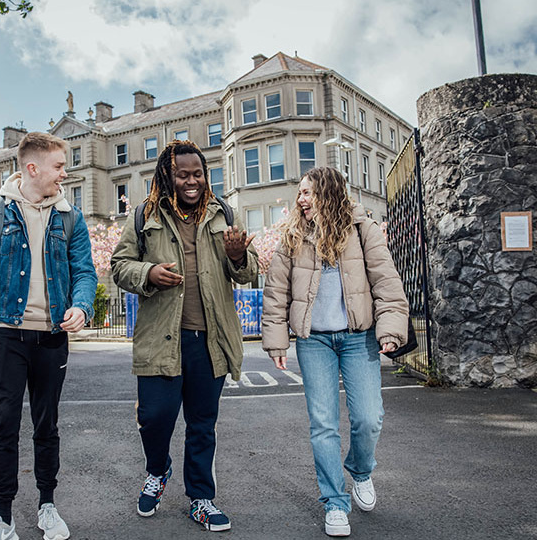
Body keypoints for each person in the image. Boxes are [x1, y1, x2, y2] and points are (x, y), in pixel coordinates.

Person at [0, 132, 97, 540]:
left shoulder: (70, 217)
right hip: (7, 337)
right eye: (60, 166)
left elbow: (85, 271)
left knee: (47, 424)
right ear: (33, 168)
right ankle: (3, 517)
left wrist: (82, 306)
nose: (66, 173)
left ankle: (48, 506)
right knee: (5, 424)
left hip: (51, 338)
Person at [111, 140, 258, 533]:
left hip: (209, 339)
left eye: (197, 174)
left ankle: (201, 498)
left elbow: (248, 273)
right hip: (161, 337)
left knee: (202, 423)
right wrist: (149, 274)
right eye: (183, 175)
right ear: (168, 176)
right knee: (154, 417)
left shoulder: (223, 212)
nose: (192, 182)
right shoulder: (144, 215)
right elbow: (120, 266)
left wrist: (239, 257)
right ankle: (157, 472)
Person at [262, 167, 408, 537]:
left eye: (308, 192)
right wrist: (277, 340)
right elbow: (277, 292)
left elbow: (387, 284)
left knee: (368, 418)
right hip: (315, 343)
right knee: (323, 425)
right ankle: (335, 502)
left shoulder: (363, 230)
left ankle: (360, 470)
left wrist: (390, 330)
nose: (301, 200)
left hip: (359, 338)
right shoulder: (292, 236)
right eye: (299, 193)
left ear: (329, 194)